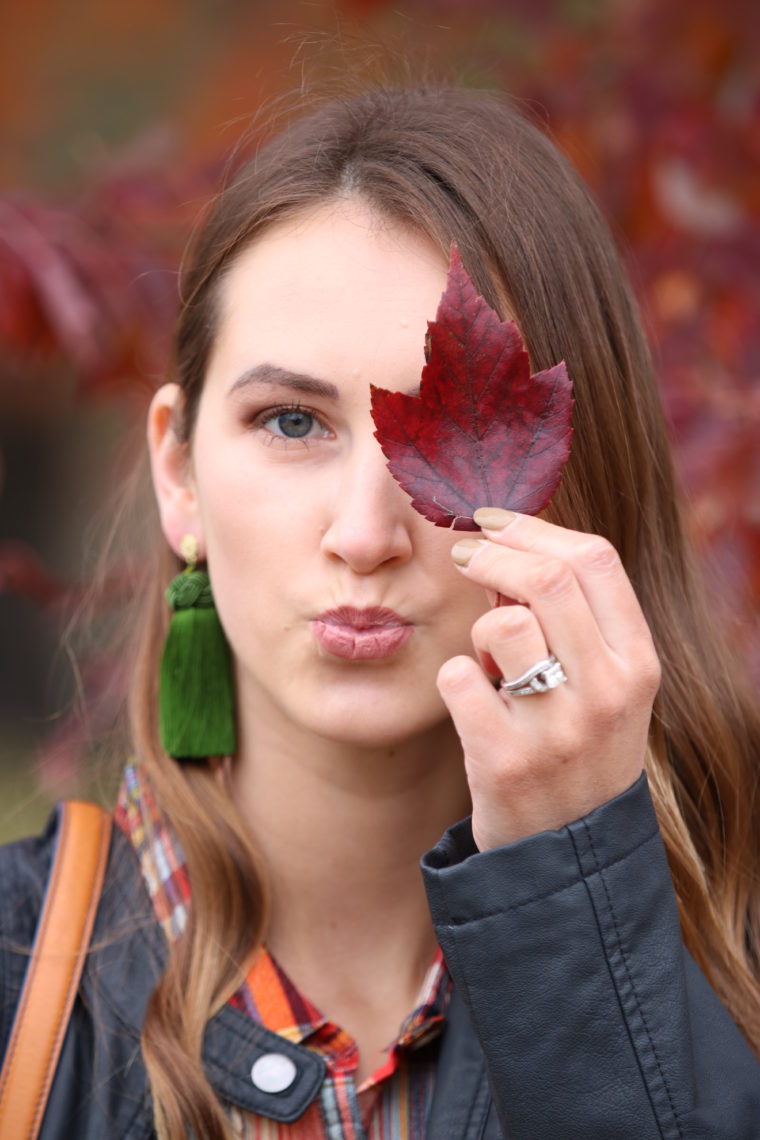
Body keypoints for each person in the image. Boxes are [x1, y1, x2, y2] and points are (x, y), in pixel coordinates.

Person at [2, 83, 760, 1140]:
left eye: (449, 432)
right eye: (291, 421)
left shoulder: (733, 975)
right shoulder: (16, 982)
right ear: (178, 473)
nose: (364, 532)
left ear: (584, 473)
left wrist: (576, 910)